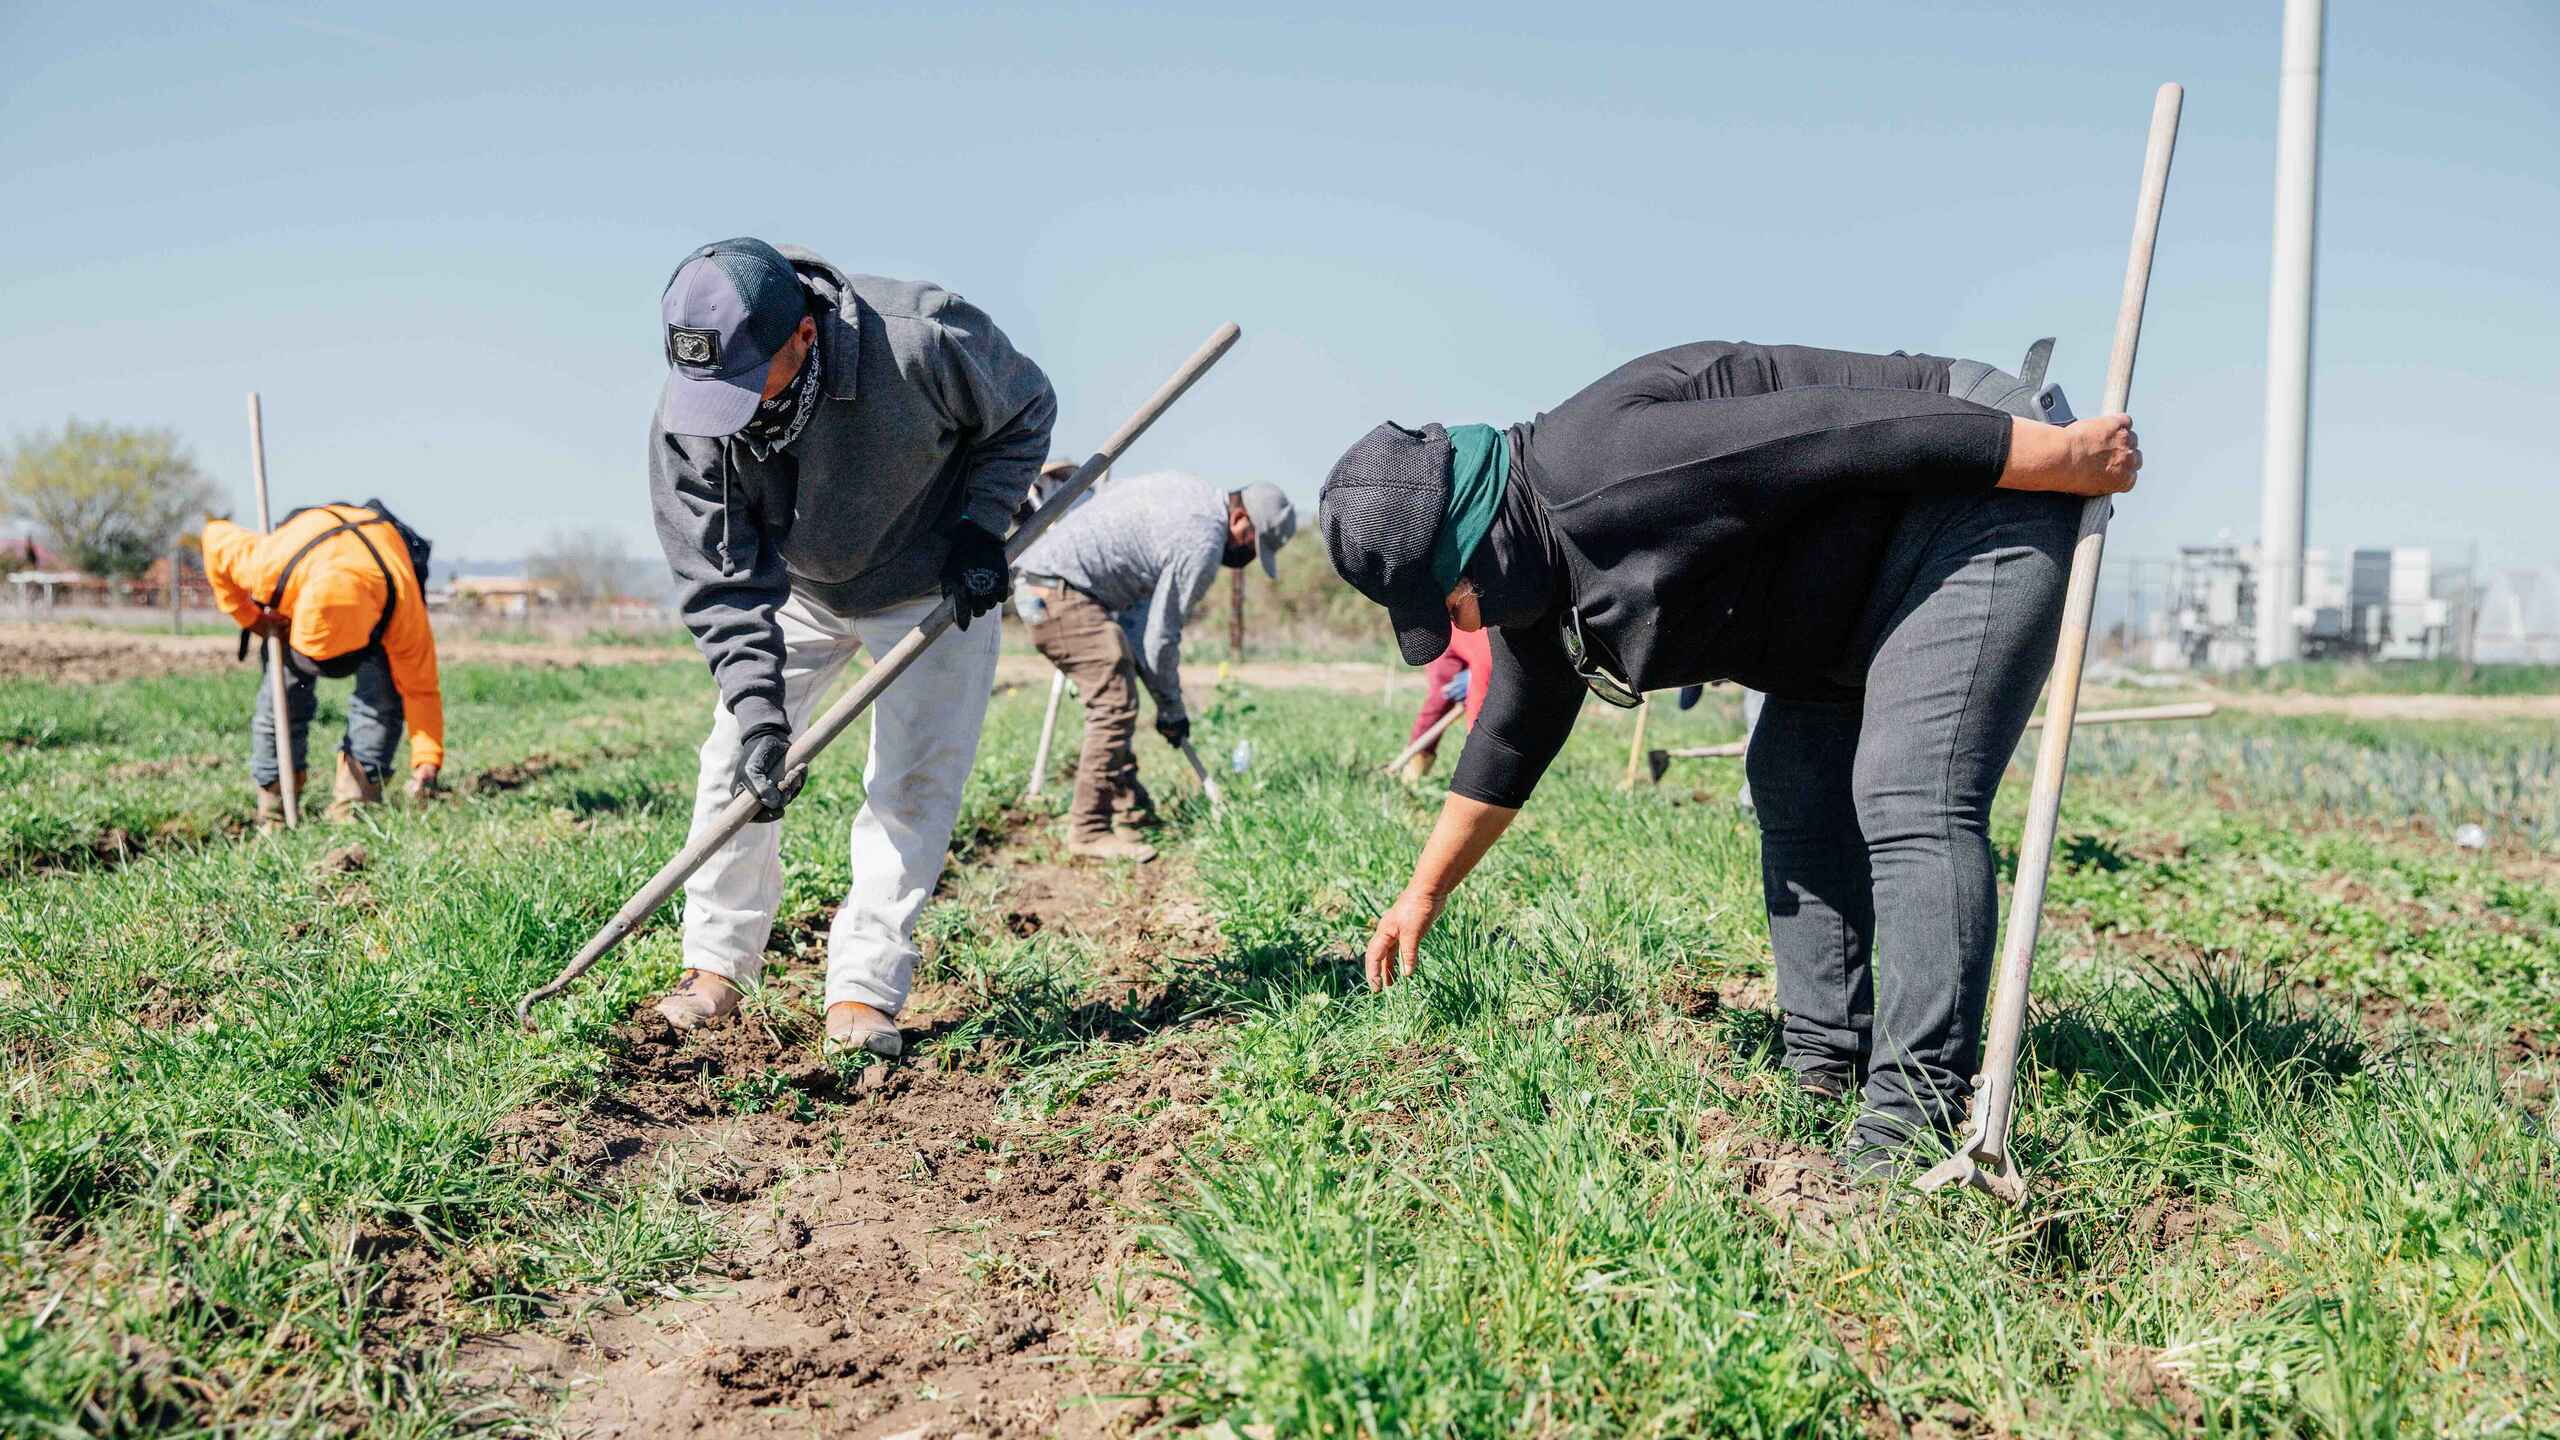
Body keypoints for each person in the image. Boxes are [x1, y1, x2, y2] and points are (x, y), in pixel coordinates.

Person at [1317, 339, 2138, 1176]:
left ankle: (1912, 1114)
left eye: (1451, 600)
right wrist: (1422, 896)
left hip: (1965, 484)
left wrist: (2063, 454)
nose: (1459, 627)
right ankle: (1823, 1065)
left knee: (1908, 790)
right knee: (1791, 776)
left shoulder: (1604, 467)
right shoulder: (1541, 570)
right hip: (1849, 589)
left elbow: (1843, 430)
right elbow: (1511, 738)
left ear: (1481, 541)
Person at [647, 237, 1055, 1058]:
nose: (726, 408)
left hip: (926, 583)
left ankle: (864, 990)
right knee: (734, 759)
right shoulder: (693, 412)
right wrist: (764, 718)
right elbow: (721, 580)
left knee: (911, 783)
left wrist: (983, 526)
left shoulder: (922, 338)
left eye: (742, 382)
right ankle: (718, 966)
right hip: (796, 588)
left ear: (803, 335)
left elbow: (1024, 411)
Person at [1012, 470, 1297, 862]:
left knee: (1117, 681)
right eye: (1251, 546)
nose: (1246, 559)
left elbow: (1140, 628)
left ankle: (1133, 813)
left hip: (1048, 585)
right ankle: (1089, 829)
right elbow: (1160, 638)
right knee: (1114, 702)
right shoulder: (1203, 539)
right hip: (1056, 590)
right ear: (1240, 520)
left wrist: (1165, 700)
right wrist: (1172, 709)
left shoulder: (1189, 492)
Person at [202, 501, 442, 823]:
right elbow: (214, 537)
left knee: (384, 700)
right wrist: (252, 618)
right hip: (303, 563)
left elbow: (420, 688)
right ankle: (275, 802)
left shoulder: (401, 606)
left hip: (378, 573)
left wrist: (426, 759)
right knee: (281, 699)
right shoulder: (268, 567)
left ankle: (356, 803)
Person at [1399, 624, 1492, 782]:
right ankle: (1413, 772)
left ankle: (1485, 776)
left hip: (1486, 650)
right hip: (1447, 636)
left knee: (1489, 712)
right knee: (1439, 699)